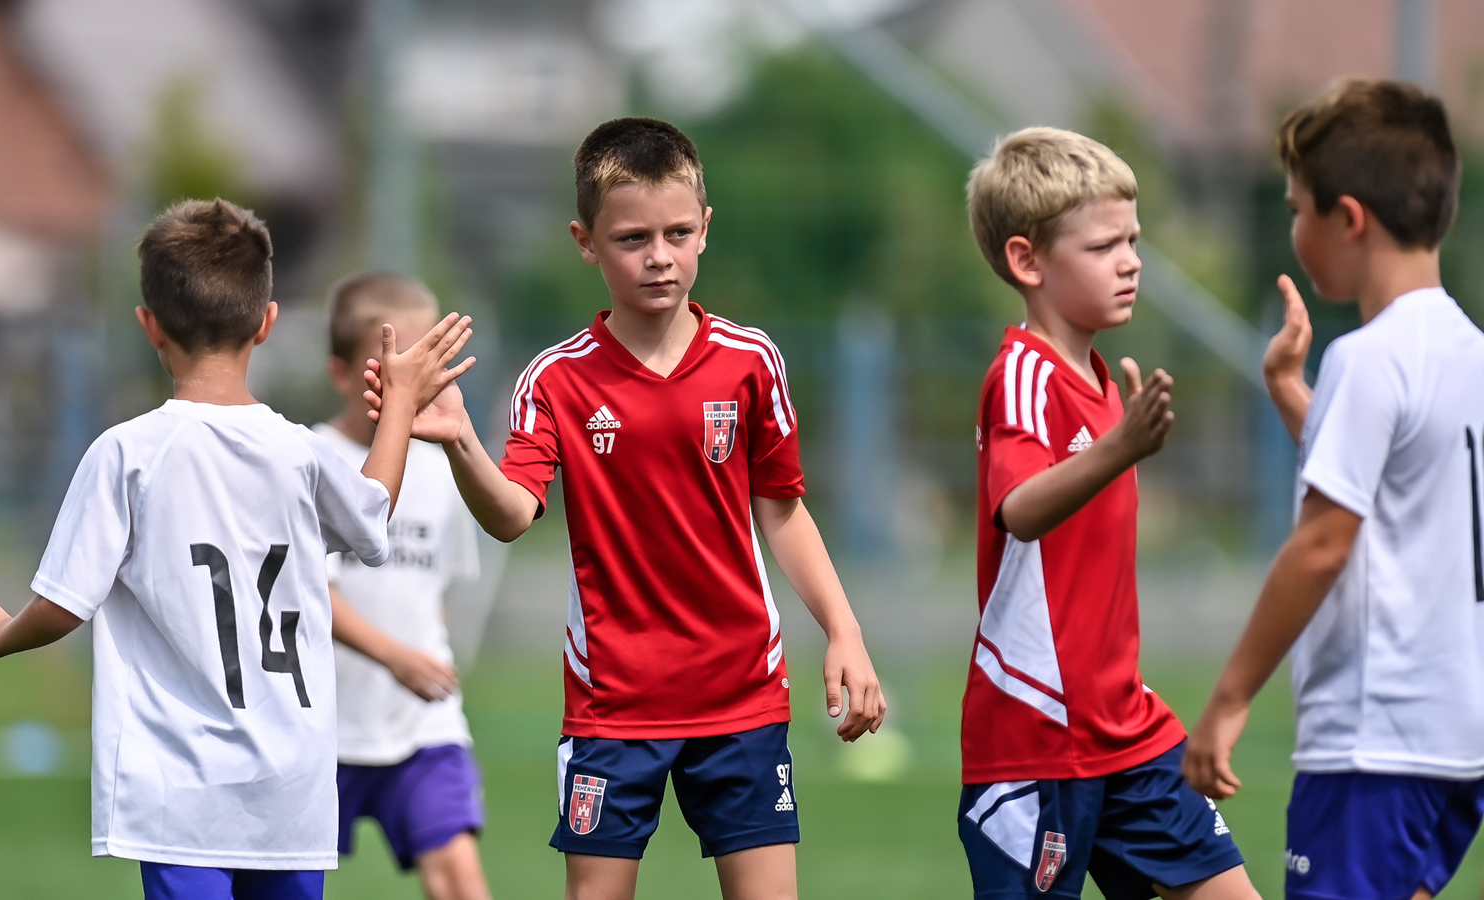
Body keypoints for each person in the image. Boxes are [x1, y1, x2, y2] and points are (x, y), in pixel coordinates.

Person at [364, 117, 887, 900]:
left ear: (705, 228)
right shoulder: (556, 380)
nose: (658, 256)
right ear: (586, 241)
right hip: (613, 703)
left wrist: (844, 631)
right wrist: (461, 440)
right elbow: (512, 514)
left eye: (678, 233)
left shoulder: (751, 362)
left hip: (741, 692)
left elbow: (782, 510)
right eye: (632, 238)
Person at [0, 199, 474, 900]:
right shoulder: (300, 452)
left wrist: (0, 637)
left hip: (180, 791)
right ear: (266, 322)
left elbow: (63, 606)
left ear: (149, 325)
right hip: (291, 785)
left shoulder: (127, 455)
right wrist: (402, 406)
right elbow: (371, 520)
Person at [1183, 79, 1484, 900]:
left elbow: (1323, 545)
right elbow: (1394, 489)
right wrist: (1292, 393)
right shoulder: (1467, 349)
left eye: (1295, 209)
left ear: (1348, 218)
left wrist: (1229, 698)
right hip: (1456, 737)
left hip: (1372, 744)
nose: (1292, 229)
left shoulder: (1368, 357)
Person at [957, 127, 1259, 900]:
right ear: (1027, 260)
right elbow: (1019, 508)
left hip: (1127, 731)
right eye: (1102, 246)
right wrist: (1120, 449)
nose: (1131, 262)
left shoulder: (1096, 377)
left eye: (1133, 240)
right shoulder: (1023, 376)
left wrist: (1118, 442)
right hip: (1037, 738)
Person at [315, 272, 491, 900]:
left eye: (427, 364)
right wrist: (396, 658)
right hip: (322, 729)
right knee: (281, 886)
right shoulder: (312, 459)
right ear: (342, 374)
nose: (413, 382)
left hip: (422, 728)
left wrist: (426, 655)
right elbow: (313, 593)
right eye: (395, 369)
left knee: (459, 876)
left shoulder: (443, 470)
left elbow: (431, 589)